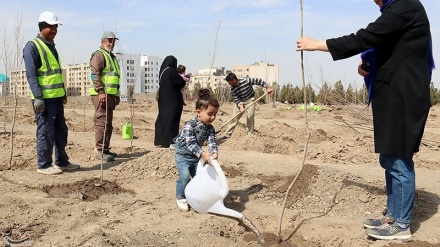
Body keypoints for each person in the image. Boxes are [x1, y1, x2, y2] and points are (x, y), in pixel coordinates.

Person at [296, 0, 435, 241]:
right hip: (394, 95)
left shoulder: (405, 6)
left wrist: (318, 44)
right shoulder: (398, 9)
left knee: (399, 157)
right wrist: (369, 65)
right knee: (389, 155)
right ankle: (393, 215)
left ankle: (401, 224)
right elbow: (391, 49)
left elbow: (366, 37)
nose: (375, 1)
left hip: (404, 96)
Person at [23, 11, 80, 175]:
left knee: (61, 130)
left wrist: (62, 93)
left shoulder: (51, 46)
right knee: (46, 131)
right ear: (42, 27)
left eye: (56, 27)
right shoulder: (32, 46)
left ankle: (62, 162)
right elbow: (31, 75)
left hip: (56, 98)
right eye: (51, 27)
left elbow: (55, 74)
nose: (55, 30)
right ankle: (44, 164)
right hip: (44, 100)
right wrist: (38, 97)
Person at [173, 89, 220, 211]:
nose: (213, 117)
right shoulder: (190, 125)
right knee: (184, 176)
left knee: (199, 176)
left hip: (196, 156)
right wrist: (203, 154)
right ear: (199, 112)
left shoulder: (210, 128)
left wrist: (214, 152)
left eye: (215, 114)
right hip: (183, 155)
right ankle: (181, 197)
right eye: (210, 114)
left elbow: (211, 141)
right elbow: (191, 143)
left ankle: (197, 196)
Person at [90, 31, 121, 162]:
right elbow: (95, 74)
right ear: (103, 41)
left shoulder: (111, 57)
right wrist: (101, 91)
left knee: (108, 124)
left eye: (113, 41)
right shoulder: (99, 55)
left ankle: (105, 149)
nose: (112, 43)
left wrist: (117, 94)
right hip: (101, 95)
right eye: (109, 40)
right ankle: (99, 150)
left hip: (110, 95)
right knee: (101, 122)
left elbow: (115, 78)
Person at [217, 72, 273, 140]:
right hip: (241, 101)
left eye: (230, 82)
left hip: (250, 100)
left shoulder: (246, 80)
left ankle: (250, 135)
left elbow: (259, 81)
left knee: (250, 118)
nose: (229, 84)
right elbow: (236, 99)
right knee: (234, 117)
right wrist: (241, 107)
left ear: (234, 80)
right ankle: (227, 134)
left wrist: (267, 87)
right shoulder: (232, 88)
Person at [154, 55, 186, 149]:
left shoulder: (162, 72)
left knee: (163, 119)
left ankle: (160, 141)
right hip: (172, 101)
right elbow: (180, 82)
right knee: (172, 120)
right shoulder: (171, 71)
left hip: (163, 100)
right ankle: (171, 141)